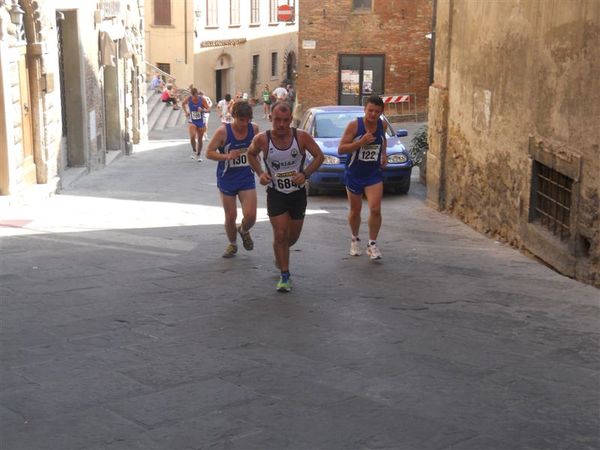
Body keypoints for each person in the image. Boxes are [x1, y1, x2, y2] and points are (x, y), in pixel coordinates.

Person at [247, 102, 324, 292]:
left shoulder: (301, 137)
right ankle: (285, 275)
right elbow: (250, 155)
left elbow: (319, 156)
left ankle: (280, 253)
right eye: (277, 120)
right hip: (276, 193)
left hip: (297, 194)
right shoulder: (262, 139)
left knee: (292, 237)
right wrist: (260, 173)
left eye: (285, 120)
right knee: (280, 233)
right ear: (271, 118)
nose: (281, 124)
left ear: (291, 120)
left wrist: (305, 174)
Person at [206, 101, 260, 258]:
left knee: (251, 216)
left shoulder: (254, 129)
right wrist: (226, 156)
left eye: (247, 120)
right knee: (230, 216)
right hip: (227, 178)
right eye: (241, 120)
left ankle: (243, 230)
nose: (244, 124)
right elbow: (209, 152)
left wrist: (260, 165)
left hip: (246, 177)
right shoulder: (223, 131)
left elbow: (258, 148)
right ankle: (233, 244)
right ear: (234, 116)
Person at [337, 95, 388, 260]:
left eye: (377, 112)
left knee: (375, 209)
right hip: (354, 173)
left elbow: (382, 140)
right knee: (355, 211)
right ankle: (355, 238)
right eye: (370, 110)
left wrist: (384, 154)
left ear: (381, 112)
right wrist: (360, 142)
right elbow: (341, 149)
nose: (373, 114)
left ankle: (372, 243)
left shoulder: (383, 124)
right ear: (365, 109)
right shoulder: (354, 125)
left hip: (373, 173)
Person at [182, 87, 209, 161]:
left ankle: (199, 154)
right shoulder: (189, 98)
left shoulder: (202, 99)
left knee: (200, 139)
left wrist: (203, 110)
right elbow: (183, 104)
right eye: (193, 96)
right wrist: (186, 112)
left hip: (201, 120)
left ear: (197, 94)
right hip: (192, 120)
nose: (194, 98)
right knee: (192, 136)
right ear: (191, 95)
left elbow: (208, 109)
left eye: (196, 96)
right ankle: (194, 150)